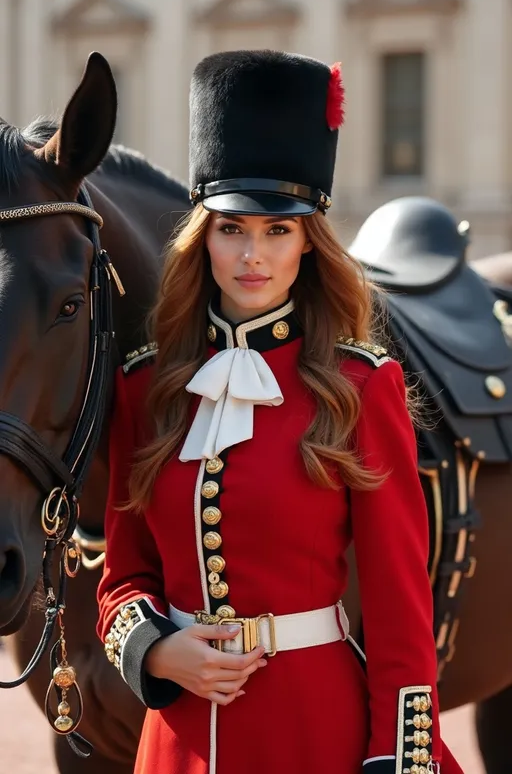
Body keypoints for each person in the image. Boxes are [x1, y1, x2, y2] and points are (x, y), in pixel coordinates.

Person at [96, 50, 464, 774]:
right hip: (176, 744)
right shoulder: (146, 388)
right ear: (203, 238)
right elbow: (120, 580)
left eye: (277, 231)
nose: (252, 256)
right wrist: (156, 649)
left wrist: (397, 756)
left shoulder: (362, 386)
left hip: (316, 731)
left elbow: (398, 608)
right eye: (232, 229)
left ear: (308, 241)